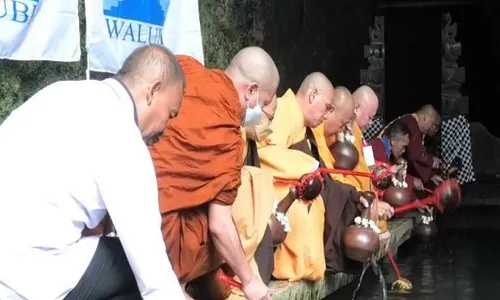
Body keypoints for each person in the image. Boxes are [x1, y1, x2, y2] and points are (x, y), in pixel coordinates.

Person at [0, 45, 186, 300]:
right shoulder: (123, 135)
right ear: (153, 91)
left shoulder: (59, 91)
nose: (165, 127)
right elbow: (151, 266)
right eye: (170, 113)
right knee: (136, 269)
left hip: (11, 256)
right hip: (25, 276)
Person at [149, 46, 279, 300]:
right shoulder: (230, 140)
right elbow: (219, 225)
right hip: (159, 237)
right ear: (251, 90)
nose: (259, 114)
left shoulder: (183, 67)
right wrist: (250, 282)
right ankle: (182, 282)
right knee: (232, 218)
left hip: (115, 206)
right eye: (262, 104)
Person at [257, 73, 371, 280]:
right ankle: (288, 267)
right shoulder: (283, 113)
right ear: (312, 95)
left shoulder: (302, 126)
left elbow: (322, 174)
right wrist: (308, 167)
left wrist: (352, 196)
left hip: (294, 188)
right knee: (303, 212)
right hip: (274, 192)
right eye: (327, 107)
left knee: (336, 203)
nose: (327, 115)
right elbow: (262, 155)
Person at [379, 104, 443, 187]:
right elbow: (414, 154)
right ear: (425, 118)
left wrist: (430, 175)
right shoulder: (411, 124)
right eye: (433, 124)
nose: (433, 128)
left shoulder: (412, 123)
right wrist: (431, 161)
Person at [368, 119, 425, 201]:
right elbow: (387, 179)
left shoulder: (384, 150)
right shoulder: (377, 147)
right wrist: (412, 181)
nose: (404, 151)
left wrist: (415, 200)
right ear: (393, 140)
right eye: (403, 146)